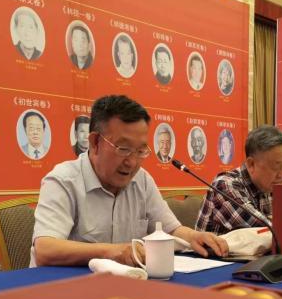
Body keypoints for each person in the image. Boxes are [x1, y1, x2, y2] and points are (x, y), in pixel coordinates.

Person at [32, 94, 227, 267]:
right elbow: (45, 249)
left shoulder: (142, 180)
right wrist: (111, 252)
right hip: (64, 288)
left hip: (124, 286)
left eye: (141, 151)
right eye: (123, 149)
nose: (132, 162)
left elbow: (171, 230)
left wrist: (194, 237)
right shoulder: (63, 180)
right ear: (95, 142)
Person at [196, 125, 282, 235]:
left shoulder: (267, 186)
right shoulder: (225, 186)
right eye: (275, 166)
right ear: (251, 164)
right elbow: (269, 231)